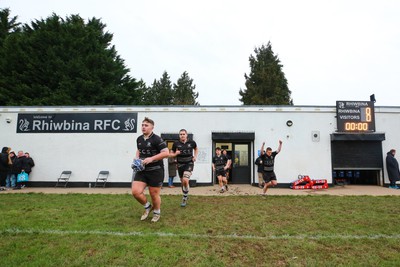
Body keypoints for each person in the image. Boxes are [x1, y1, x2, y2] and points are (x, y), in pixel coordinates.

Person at [131, 117, 169, 223]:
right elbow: (139, 150)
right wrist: (136, 158)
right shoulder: (139, 139)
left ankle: (157, 212)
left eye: (146, 125)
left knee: (153, 194)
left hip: (156, 170)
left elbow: (166, 153)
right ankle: (148, 207)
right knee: (136, 192)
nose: (143, 127)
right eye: (142, 125)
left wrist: (151, 159)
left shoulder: (157, 139)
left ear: (152, 127)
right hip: (142, 170)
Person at [170, 129, 198, 207]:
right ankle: (186, 194)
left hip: (189, 163)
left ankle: (184, 197)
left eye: (183, 134)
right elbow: (171, 153)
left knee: (186, 179)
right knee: (183, 182)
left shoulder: (192, 142)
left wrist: (195, 156)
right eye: (181, 134)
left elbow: (196, 149)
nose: (182, 135)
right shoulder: (176, 143)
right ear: (179, 135)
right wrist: (176, 153)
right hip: (180, 164)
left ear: (186, 135)